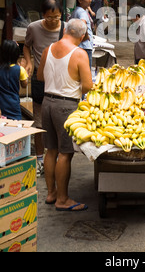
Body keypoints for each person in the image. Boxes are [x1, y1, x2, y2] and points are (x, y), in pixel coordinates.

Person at [37, 19, 93, 212]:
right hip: (66, 106)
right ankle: (62, 199)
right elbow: (87, 86)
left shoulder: (48, 49)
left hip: (47, 103)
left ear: (65, 30)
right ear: (83, 36)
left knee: (50, 150)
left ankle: (51, 193)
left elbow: (40, 76)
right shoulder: (79, 53)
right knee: (65, 153)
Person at [23, 0, 65, 176]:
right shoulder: (33, 27)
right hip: (40, 81)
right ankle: (40, 159)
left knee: (58, 121)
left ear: (61, 15)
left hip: (61, 81)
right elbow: (26, 46)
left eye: (56, 17)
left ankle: (55, 157)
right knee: (39, 123)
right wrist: (28, 62)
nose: (53, 21)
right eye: (49, 18)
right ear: (43, 16)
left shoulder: (66, 27)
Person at [0, 40, 28, 120]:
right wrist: (24, 69)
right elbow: (24, 85)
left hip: (2, 104)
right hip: (14, 104)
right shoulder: (20, 69)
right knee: (16, 125)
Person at [71, 0, 93, 68]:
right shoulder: (82, 12)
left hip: (78, 46)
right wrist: (86, 36)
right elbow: (82, 24)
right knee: (86, 73)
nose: (90, 0)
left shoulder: (76, 11)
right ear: (80, 0)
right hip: (85, 47)